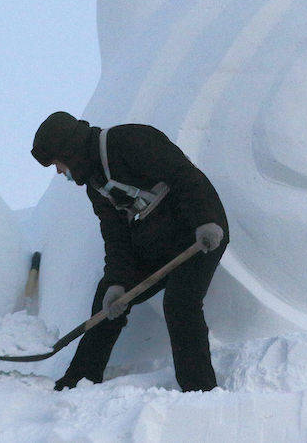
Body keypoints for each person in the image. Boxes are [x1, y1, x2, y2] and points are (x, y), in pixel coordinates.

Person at [31, 111, 229, 392]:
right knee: (106, 298)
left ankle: (199, 390)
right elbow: (117, 237)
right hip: (159, 243)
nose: (60, 171)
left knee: (179, 304)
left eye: (58, 163)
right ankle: (79, 382)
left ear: (69, 151)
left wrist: (205, 220)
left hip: (199, 232)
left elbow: (184, 176)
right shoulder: (96, 186)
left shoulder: (131, 140)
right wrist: (117, 282)